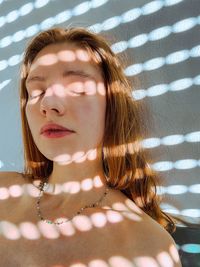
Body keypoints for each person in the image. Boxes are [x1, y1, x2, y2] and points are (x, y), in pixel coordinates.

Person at [0, 27, 182, 266]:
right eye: (37, 91)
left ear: (113, 107)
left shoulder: (147, 247)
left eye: (77, 89)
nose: (48, 103)